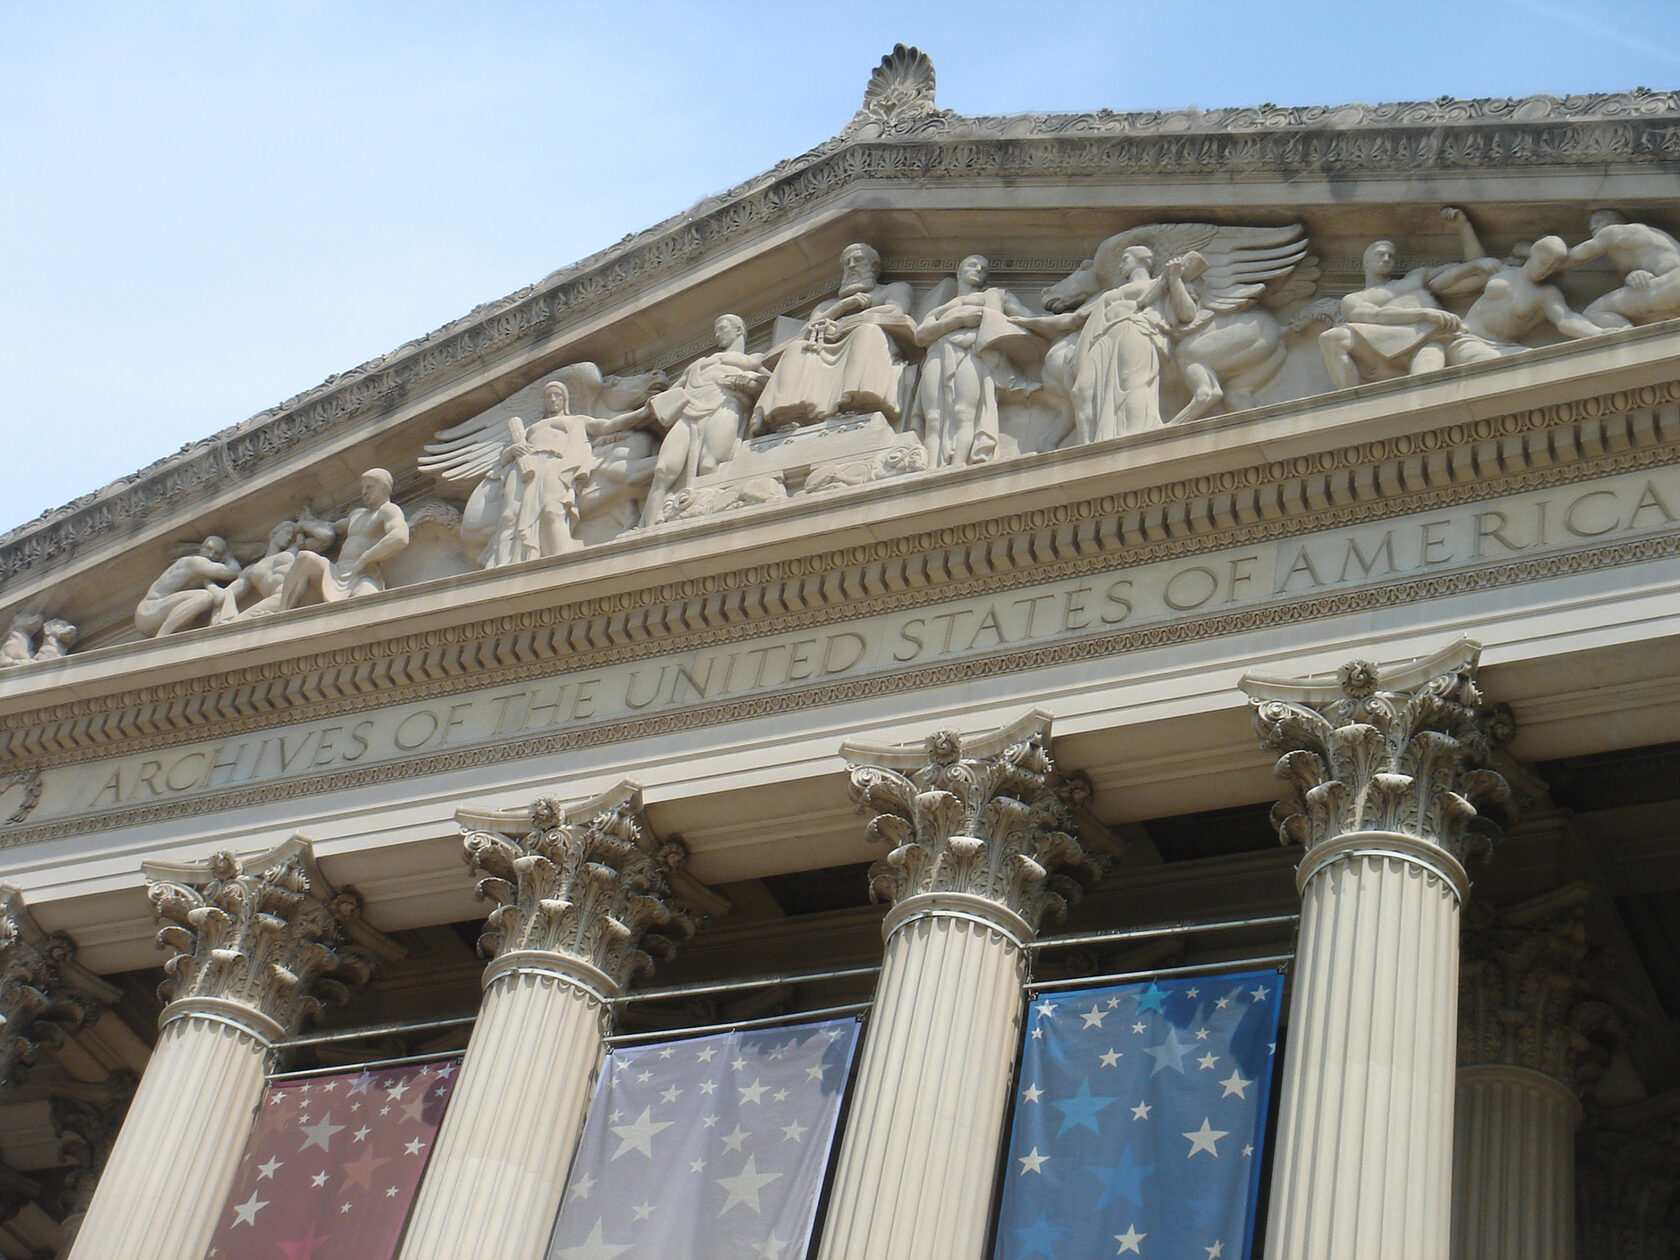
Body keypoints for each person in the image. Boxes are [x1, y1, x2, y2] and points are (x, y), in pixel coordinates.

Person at [1022, 244, 1201, 441]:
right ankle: (1089, 445)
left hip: (1135, 333)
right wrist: (1028, 322)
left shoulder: (1160, 284)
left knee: (1132, 385)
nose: (1120, 265)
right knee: (1082, 390)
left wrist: (1175, 278)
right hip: (1102, 341)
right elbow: (1074, 319)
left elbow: (1187, 314)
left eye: (1125, 258)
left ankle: (1135, 438)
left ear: (1143, 260)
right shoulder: (1108, 294)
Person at [1319, 207, 1504, 388]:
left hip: (1427, 341)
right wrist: (1423, 314)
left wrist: (1465, 229)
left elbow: (1478, 272)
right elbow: (1373, 315)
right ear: (1366, 262)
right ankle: (1352, 399)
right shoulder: (1354, 298)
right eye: (1380, 254)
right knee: (1331, 337)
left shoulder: (1416, 278)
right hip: (1380, 349)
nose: (1386, 258)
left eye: (1390, 256)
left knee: (1423, 391)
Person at [751, 243, 916, 434]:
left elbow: (896, 311)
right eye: (847, 263)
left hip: (868, 343)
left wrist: (841, 325)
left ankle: (856, 406)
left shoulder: (892, 289)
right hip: (826, 349)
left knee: (866, 331)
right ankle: (790, 416)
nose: (852, 266)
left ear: (874, 267)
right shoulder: (827, 305)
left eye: (858, 260)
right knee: (798, 348)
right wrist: (843, 306)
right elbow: (808, 329)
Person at [639, 314, 768, 526]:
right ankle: (647, 527)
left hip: (725, 405)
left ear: (738, 330)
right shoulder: (698, 363)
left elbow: (769, 381)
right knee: (663, 470)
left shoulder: (752, 360)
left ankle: (708, 518)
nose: (717, 334)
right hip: (688, 412)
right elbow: (673, 391)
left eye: (722, 328)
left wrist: (747, 382)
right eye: (716, 330)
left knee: (710, 464)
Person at [910, 255, 1037, 466]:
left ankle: (959, 464)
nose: (979, 269)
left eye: (984, 268)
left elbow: (1025, 317)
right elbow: (921, 335)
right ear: (959, 272)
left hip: (971, 352)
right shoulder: (940, 309)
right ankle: (932, 467)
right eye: (972, 265)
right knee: (933, 417)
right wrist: (959, 320)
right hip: (937, 353)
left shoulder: (996, 296)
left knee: (963, 412)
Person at [1437, 218, 1603, 364]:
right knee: (1496, 367)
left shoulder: (1547, 294)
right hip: (1468, 339)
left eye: (1553, 266)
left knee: (1536, 369)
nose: (1546, 269)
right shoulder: (1501, 271)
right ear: (1534, 252)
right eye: (1544, 261)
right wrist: (1473, 265)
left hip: (1506, 349)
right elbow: (1439, 286)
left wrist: (1599, 333)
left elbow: (1566, 319)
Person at [279, 469, 409, 609]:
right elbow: (330, 528)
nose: (364, 492)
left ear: (384, 488)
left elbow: (400, 537)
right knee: (305, 558)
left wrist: (365, 558)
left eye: (369, 487)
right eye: (363, 488)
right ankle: (281, 613)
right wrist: (308, 522)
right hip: (337, 571)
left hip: (363, 573)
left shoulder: (388, 510)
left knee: (366, 603)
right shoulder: (357, 514)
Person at [211, 510, 335, 625]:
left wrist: (302, 525)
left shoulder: (296, 550)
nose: (288, 538)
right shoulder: (251, 569)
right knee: (238, 625)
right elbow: (227, 593)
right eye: (286, 532)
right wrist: (208, 583)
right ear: (275, 532)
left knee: (241, 624)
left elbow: (327, 537)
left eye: (292, 536)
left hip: (296, 593)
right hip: (276, 601)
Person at [1565, 209, 1680, 329]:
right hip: (1669, 284)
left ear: (1615, 222)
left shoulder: (1613, 232)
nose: (1593, 227)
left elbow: (1571, 257)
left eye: (1599, 221)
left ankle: (1628, 339)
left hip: (1672, 282)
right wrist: (1634, 274)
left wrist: (1549, 247)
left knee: (1594, 311)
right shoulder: (1649, 236)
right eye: (1591, 226)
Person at [135, 537, 243, 636]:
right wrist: (229, 556)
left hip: (152, 613)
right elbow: (233, 572)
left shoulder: (201, 571)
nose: (211, 555)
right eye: (209, 548)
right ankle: (162, 635)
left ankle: (170, 633)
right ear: (201, 548)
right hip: (150, 610)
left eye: (216, 554)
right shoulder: (195, 561)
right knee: (204, 596)